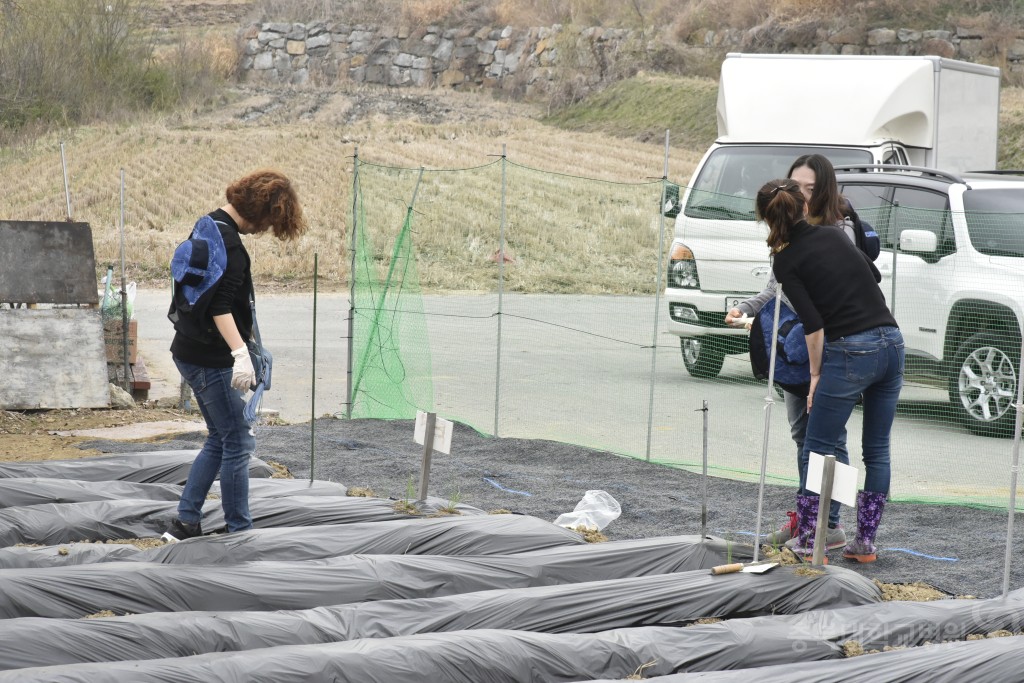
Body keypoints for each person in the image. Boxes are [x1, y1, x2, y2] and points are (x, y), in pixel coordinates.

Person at [725, 154, 877, 552]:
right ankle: (808, 518)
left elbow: (832, 304)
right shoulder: (787, 237)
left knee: (831, 440)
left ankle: (831, 523)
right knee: (802, 435)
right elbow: (776, 288)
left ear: (824, 191)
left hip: (834, 349)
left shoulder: (835, 231)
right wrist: (747, 307)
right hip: (795, 349)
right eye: (796, 187)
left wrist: (817, 368)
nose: (801, 196)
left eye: (810, 189)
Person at [756, 177, 903, 563]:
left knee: (818, 446)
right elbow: (873, 277)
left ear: (766, 220)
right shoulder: (836, 236)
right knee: (877, 450)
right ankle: (864, 544)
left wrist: (816, 375)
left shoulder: (785, 260)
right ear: (804, 208)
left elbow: (813, 326)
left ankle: (809, 538)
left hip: (850, 350)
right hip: (892, 343)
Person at [166, 169, 307, 539]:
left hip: (187, 349)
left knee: (220, 437)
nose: (265, 230)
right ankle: (238, 531)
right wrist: (241, 354)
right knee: (239, 441)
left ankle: (186, 521)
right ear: (262, 211)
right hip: (210, 358)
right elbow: (220, 306)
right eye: (270, 223)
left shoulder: (208, 224)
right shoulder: (230, 247)